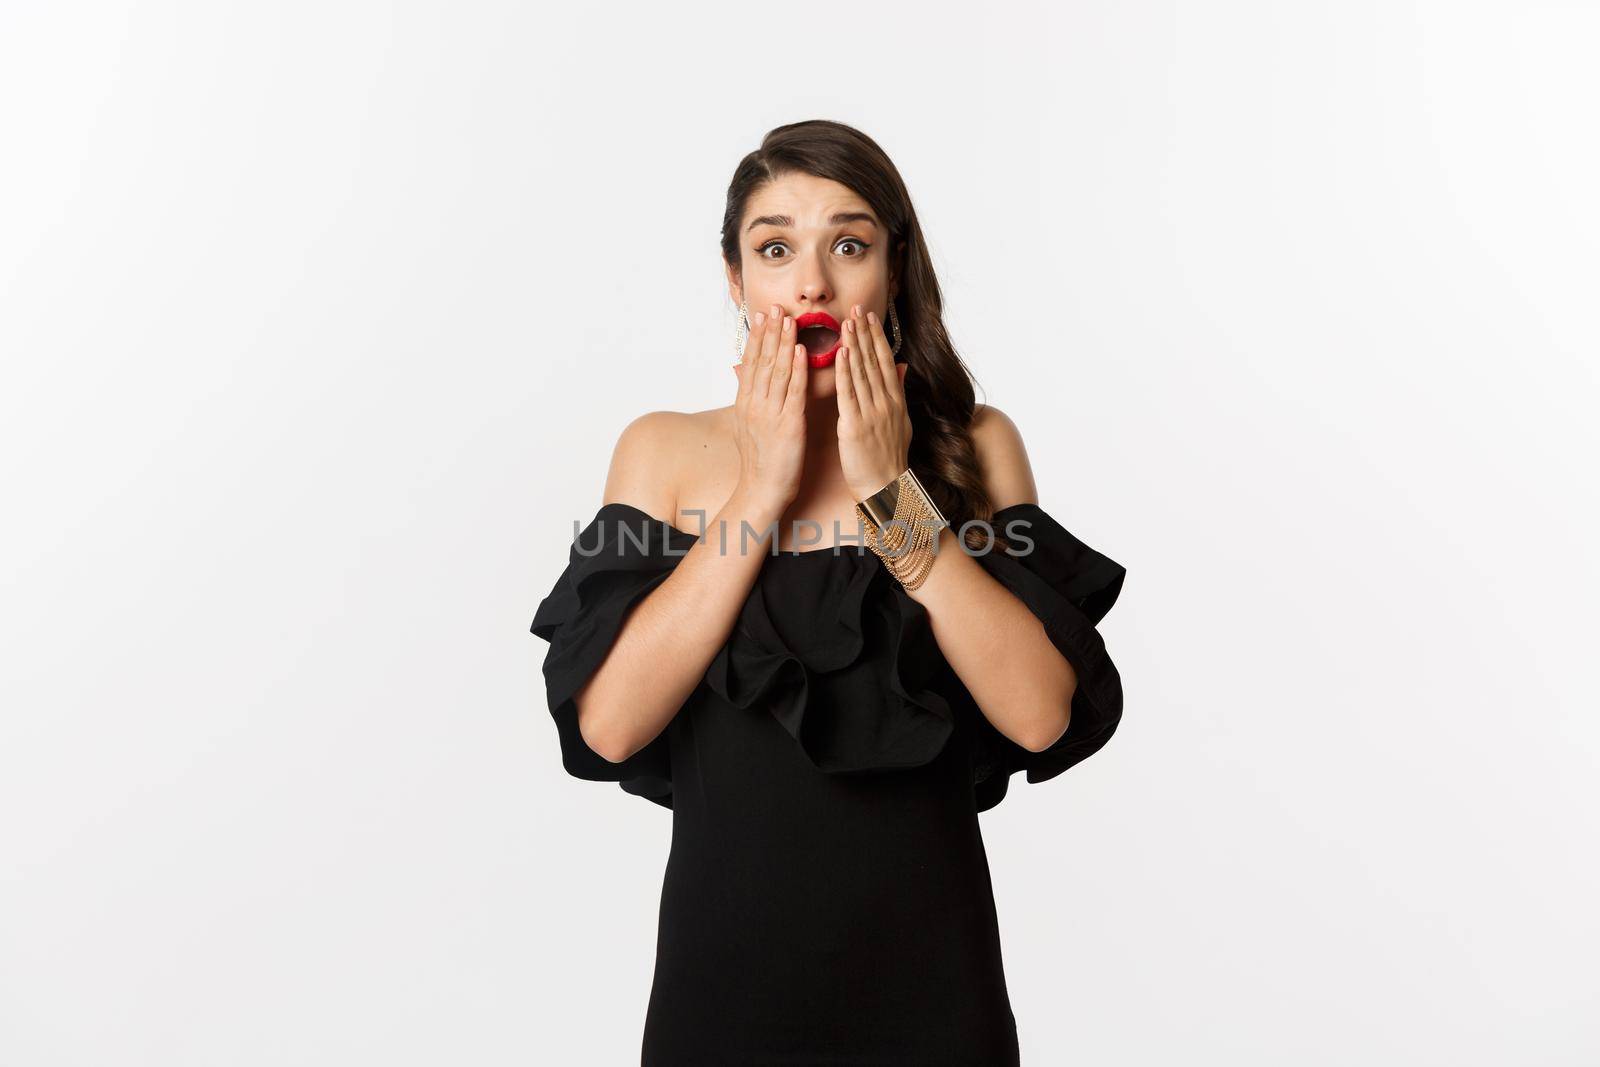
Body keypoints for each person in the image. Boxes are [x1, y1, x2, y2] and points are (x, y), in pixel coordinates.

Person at [530, 119, 1128, 1066]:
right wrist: (760, 488)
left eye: (848, 245)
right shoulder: (661, 449)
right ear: (737, 280)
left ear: (892, 271)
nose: (811, 282)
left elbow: (1042, 715)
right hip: (723, 993)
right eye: (775, 249)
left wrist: (892, 496)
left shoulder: (976, 447)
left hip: (935, 994)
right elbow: (609, 726)